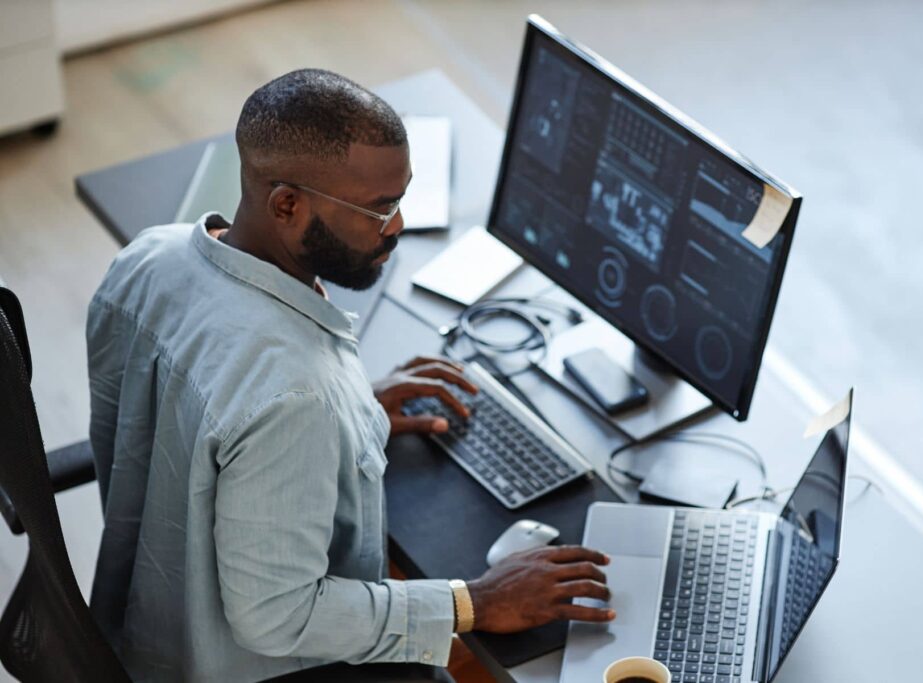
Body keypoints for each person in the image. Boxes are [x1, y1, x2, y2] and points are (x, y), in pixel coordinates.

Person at [86, 68, 614, 683]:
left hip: (141, 620)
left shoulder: (149, 256)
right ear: (287, 204)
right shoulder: (295, 396)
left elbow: (198, 414)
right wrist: (474, 601)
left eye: (402, 198)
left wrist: (351, 416)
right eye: (378, 210)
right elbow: (276, 618)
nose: (398, 226)